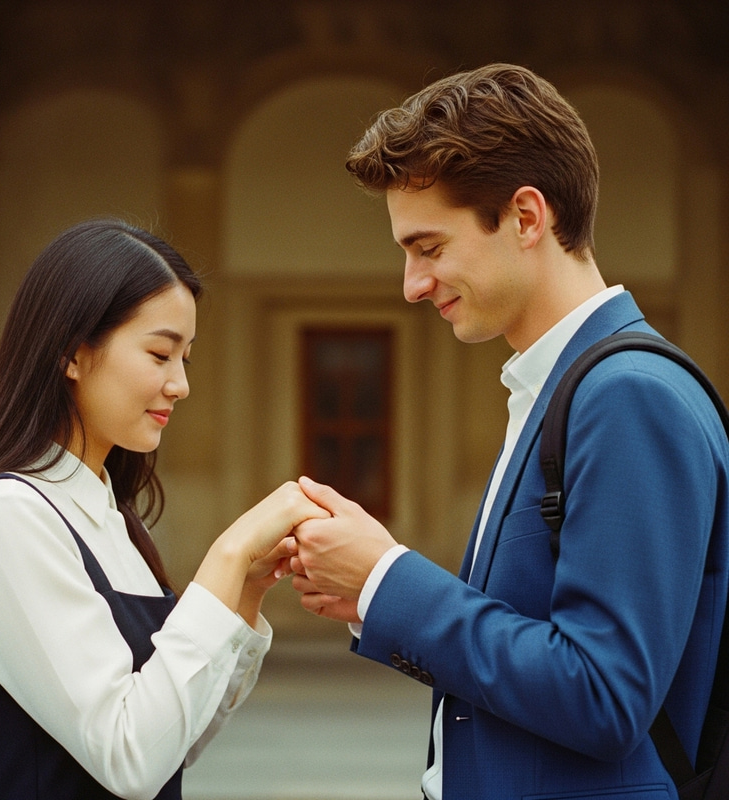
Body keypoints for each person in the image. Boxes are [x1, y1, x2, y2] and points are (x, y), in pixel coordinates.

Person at [290, 63, 729, 798]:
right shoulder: (562, 386)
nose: (411, 284)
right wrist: (374, 596)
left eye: (428, 248)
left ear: (528, 218)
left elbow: (604, 693)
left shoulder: (628, 397)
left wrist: (388, 579)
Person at [0, 219, 328, 800]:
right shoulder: (6, 516)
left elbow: (174, 742)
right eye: (160, 354)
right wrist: (227, 554)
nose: (181, 384)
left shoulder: (113, 519)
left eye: (186, 357)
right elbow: (130, 760)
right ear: (71, 352)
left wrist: (243, 593)